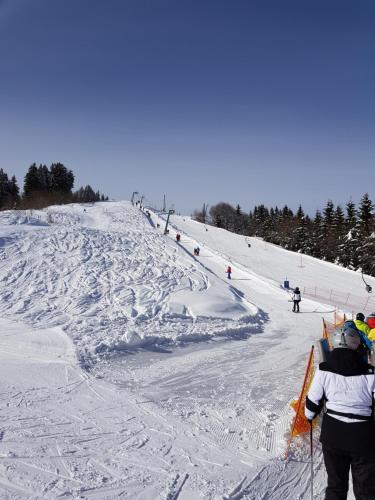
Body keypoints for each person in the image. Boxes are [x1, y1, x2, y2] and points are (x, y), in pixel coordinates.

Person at [305, 325, 375, 500]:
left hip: (333, 435)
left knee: (336, 485)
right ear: (356, 344)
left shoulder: (324, 369)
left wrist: (309, 416)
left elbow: (312, 402)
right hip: (363, 438)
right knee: (365, 489)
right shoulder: (370, 372)